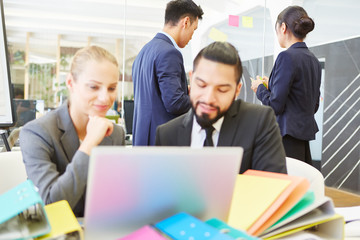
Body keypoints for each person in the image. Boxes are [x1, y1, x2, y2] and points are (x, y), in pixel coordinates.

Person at [20, 46, 125, 217]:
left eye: (112, 88)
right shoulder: (37, 132)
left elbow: (116, 196)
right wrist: (90, 143)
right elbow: (51, 204)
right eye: (94, 87)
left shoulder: (115, 134)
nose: (105, 98)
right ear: (70, 83)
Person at [156, 42, 287, 174]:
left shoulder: (259, 122)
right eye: (201, 85)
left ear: (237, 90)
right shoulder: (167, 135)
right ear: (191, 78)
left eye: (222, 90)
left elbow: (273, 187)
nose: (208, 99)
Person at [251, 6, 321, 166]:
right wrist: (271, 85)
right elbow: (313, 104)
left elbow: (275, 105)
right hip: (303, 137)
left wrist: (259, 88)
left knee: (284, 185)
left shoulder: (286, 57)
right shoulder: (313, 60)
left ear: (283, 27)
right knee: (299, 185)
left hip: (286, 136)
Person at [132, 0, 203, 146]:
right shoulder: (170, 53)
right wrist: (201, 97)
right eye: (194, 30)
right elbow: (175, 103)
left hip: (142, 140)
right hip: (161, 143)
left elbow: (155, 95)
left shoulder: (144, 51)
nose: (191, 36)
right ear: (186, 22)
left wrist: (185, 91)